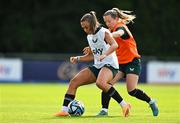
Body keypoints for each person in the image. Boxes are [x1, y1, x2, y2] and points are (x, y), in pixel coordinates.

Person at [83, 8, 159, 117]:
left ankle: (151, 102)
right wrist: (94, 45)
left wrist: (107, 35)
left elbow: (119, 33)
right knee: (106, 84)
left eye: (109, 21)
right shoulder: (109, 31)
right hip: (119, 64)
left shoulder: (121, 27)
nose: (107, 24)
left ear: (117, 19)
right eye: (105, 22)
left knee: (131, 90)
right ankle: (104, 110)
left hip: (132, 62)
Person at [54, 11, 131, 117]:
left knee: (100, 83)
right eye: (83, 28)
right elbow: (92, 56)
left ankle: (124, 105)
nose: (85, 30)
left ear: (92, 24)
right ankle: (64, 110)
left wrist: (105, 54)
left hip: (110, 65)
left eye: (86, 27)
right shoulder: (89, 37)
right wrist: (78, 58)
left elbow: (115, 45)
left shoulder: (104, 32)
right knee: (74, 82)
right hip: (98, 66)